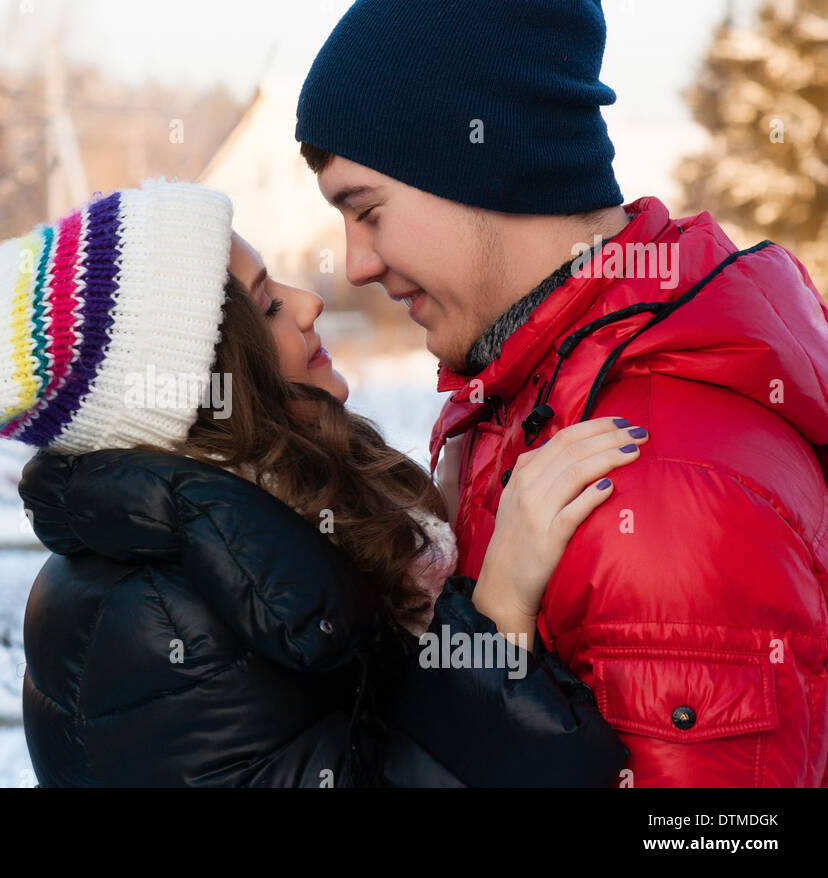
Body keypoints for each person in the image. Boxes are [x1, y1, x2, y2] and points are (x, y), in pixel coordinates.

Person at [0, 179, 641, 786]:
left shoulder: (253, 531)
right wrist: (492, 614)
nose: (310, 301)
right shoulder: (156, 623)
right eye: (264, 303)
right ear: (203, 384)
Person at [295, 0, 828, 787]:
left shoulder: (656, 480)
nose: (358, 263)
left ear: (482, 163)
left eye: (367, 211)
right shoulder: (523, 398)